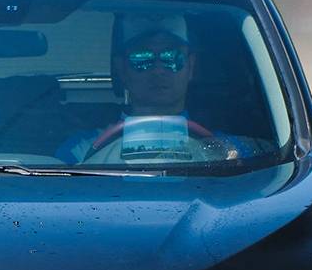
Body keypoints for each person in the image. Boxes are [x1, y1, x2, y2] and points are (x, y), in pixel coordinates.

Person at [56, 13, 252, 165]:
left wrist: (232, 155)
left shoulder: (228, 149)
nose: (158, 70)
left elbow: (270, 162)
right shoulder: (80, 151)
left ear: (191, 66)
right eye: (142, 59)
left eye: (171, 58)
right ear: (121, 68)